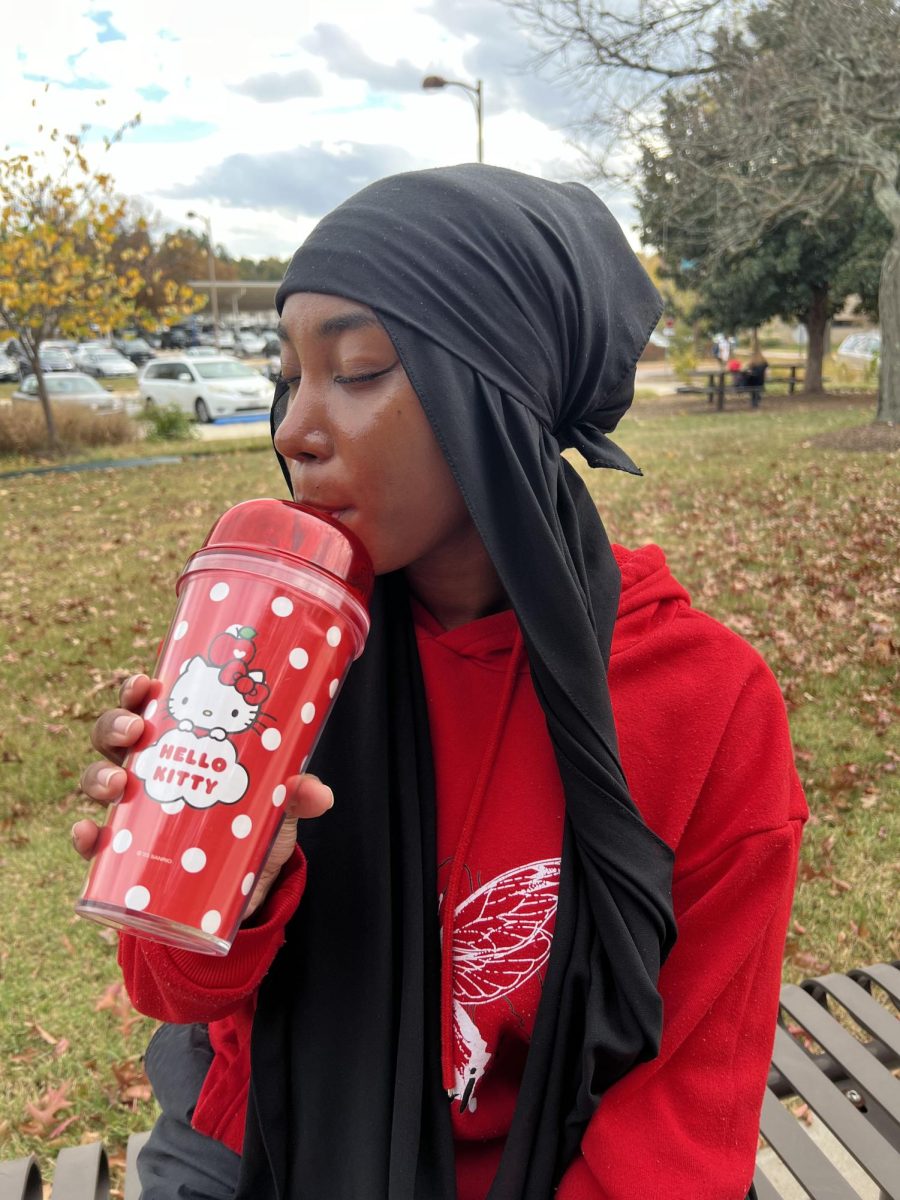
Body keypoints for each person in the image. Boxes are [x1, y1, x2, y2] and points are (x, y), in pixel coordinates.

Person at [75, 165, 806, 1200]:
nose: (294, 428)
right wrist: (210, 877)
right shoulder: (274, 654)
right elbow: (175, 994)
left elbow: (686, 1114)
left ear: (497, 394)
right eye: (290, 373)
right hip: (267, 1143)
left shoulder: (703, 702)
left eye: (360, 368)